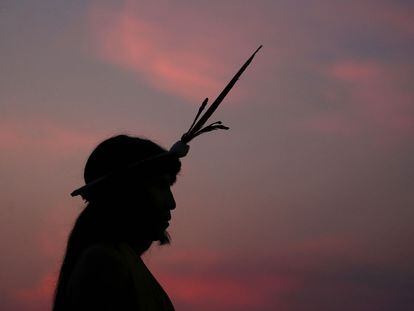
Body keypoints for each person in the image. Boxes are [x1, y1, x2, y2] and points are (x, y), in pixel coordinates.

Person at [53, 135, 182, 311]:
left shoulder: (119, 261)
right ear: (126, 192)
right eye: (160, 185)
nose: (171, 202)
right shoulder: (105, 263)